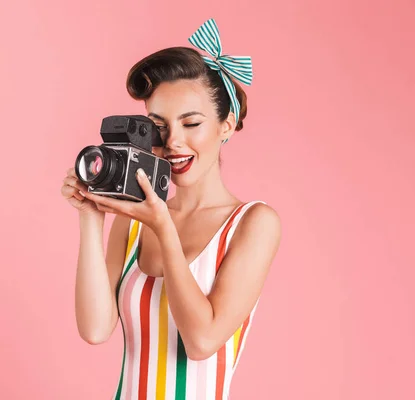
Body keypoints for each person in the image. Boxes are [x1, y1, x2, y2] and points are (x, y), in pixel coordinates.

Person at [60, 18, 281, 400]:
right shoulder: (133, 224)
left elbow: (201, 341)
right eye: (158, 126)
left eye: (191, 123)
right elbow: (95, 329)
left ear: (226, 125)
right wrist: (91, 219)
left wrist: (164, 228)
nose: (174, 142)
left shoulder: (253, 223)